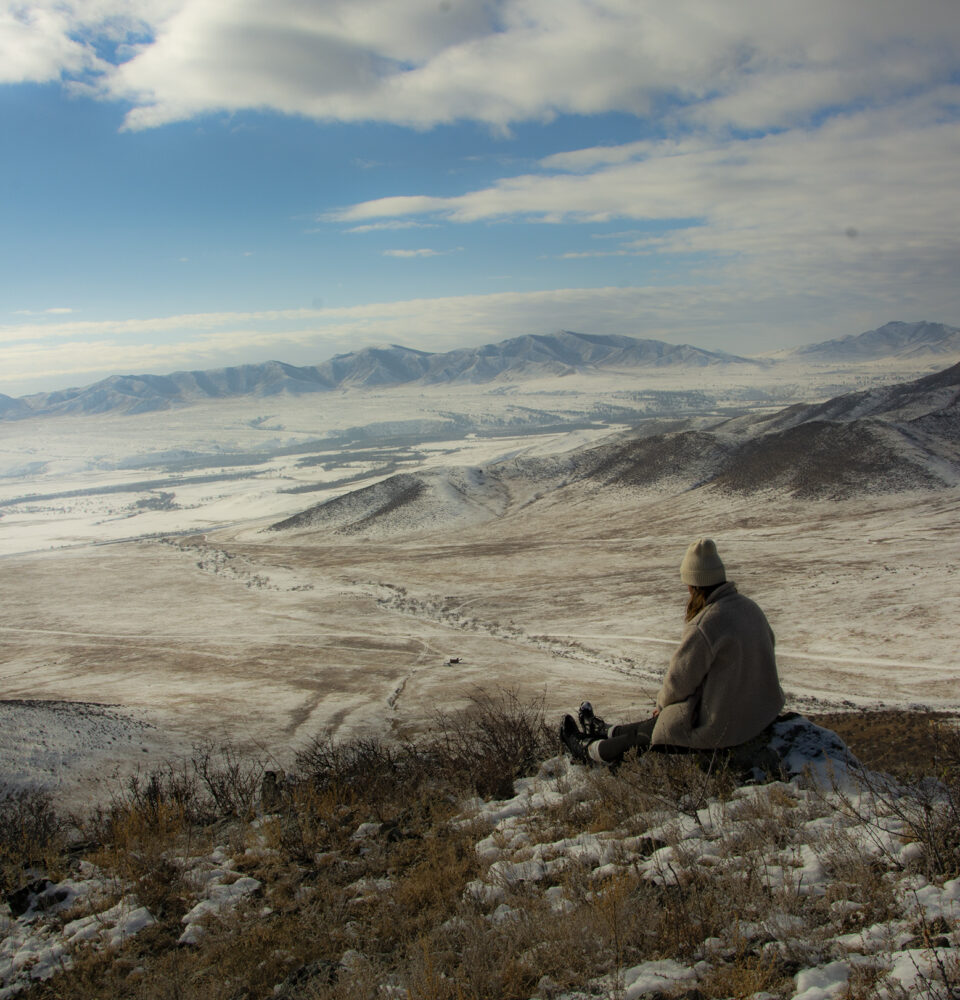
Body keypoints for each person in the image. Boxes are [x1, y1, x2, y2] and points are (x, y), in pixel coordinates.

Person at [560, 538, 785, 766]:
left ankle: (590, 751)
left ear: (694, 584)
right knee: (667, 719)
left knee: (660, 728)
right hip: (760, 713)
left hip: (728, 726)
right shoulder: (749, 607)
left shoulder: (705, 624)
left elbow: (679, 681)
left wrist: (661, 706)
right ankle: (604, 730)